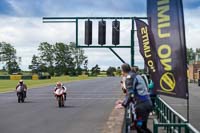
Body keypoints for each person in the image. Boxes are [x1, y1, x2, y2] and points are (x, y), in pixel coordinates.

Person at [121, 63, 153, 133]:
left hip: (141, 106)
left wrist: (123, 104)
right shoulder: (135, 75)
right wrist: (123, 101)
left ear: (123, 71)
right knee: (141, 126)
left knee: (140, 126)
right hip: (146, 104)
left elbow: (130, 93)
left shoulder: (130, 77)